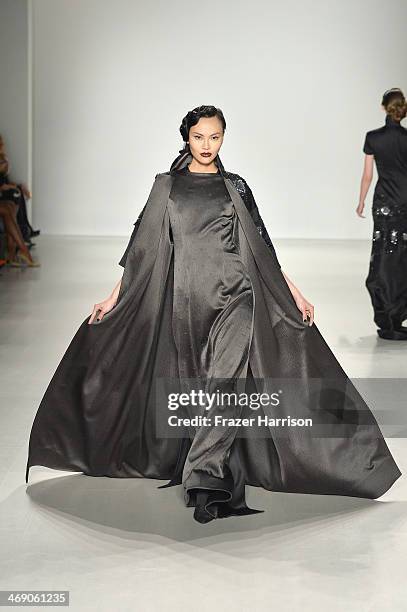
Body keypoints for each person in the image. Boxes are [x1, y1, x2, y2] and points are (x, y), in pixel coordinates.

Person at [26, 105, 401, 524]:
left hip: (237, 297)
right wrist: (113, 296)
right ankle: (206, 467)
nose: (207, 145)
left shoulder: (235, 187)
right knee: (199, 387)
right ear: (187, 137)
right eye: (200, 137)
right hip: (187, 303)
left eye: (215, 137)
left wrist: (294, 292)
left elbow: (262, 245)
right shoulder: (165, 188)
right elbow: (141, 249)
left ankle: (205, 478)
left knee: (224, 381)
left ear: (224, 137)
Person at [357, 88, 407, 339]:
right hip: (405, 203)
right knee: (400, 256)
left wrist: (361, 201)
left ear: (383, 107)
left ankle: (386, 313)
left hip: (384, 203)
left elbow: (368, 175)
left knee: (383, 255)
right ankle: (396, 313)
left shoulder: (373, 137)